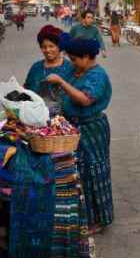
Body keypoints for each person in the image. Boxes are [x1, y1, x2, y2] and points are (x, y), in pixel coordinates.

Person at [46, 37, 113, 235]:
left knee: (94, 171)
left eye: (74, 59)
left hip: (92, 129)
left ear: (86, 57)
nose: (72, 63)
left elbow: (85, 99)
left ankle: (100, 220)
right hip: (73, 127)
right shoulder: (76, 70)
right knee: (76, 172)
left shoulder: (98, 75)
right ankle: (83, 217)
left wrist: (61, 82)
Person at [24, 25, 72, 95]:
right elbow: (27, 88)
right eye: (44, 47)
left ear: (60, 47)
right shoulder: (36, 67)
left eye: (51, 46)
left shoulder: (70, 68)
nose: (47, 50)